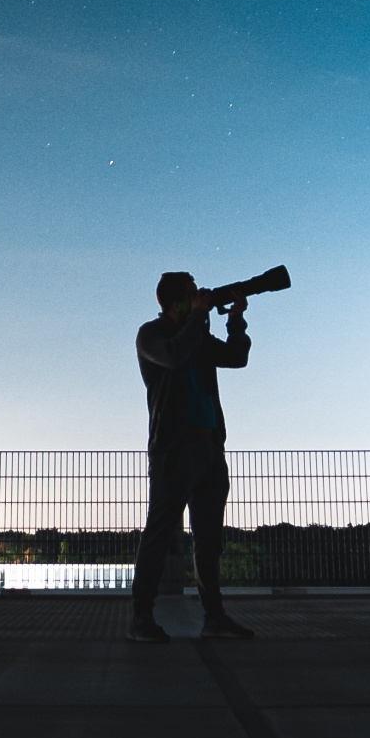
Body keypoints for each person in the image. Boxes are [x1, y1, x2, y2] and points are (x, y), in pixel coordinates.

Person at [129, 269, 256, 643]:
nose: (200, 295)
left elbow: (236, 357)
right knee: (160, 532)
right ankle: (140, 618)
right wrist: (200, 317)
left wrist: (235, 320)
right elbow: (173, 356)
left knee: (209, 537)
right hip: (173, 447)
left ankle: (214, 617)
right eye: (191, 292)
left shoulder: (197, 334)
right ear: (173, 301)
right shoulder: (152, 335)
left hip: (210, 447)